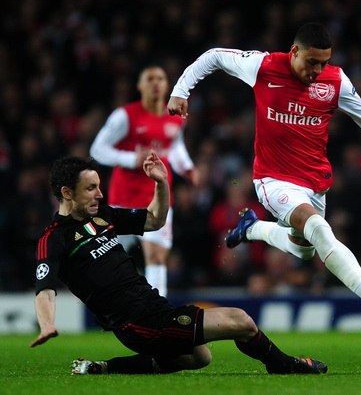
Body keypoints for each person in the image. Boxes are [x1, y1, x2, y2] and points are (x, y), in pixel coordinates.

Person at [167, 22, 361, 319]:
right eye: (312, 62)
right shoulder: (263, 66)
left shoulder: (335, 82)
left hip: (314, 183)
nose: (317, 70)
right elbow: (215, 55)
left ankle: (253, 228)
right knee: (318, 228)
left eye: (324, 63)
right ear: (294, 51)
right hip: (273, 180)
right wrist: (180, 91)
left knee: (303, 249)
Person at [31, 154, 327, 376]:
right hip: (137, 321)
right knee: (241, 321)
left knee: (199, 357)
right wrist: (47, 325)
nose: (100, 194)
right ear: (67, 193)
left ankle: (105, 368)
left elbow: (154, 220)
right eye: (90, 188)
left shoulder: (102, 216)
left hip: (153, 307)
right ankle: (283, 365)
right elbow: (45, 288)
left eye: (98, 187)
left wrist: (160, 183)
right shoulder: (54, 239)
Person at [90, 65, 199, 297]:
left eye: (160, 78)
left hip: (158, 197)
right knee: (113, 257)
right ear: (140, 86)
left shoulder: (175, 116)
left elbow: (174, 146)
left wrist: (187, 168)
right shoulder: (124, 116)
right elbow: (97, 150)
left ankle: (157, 310)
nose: (156, 83)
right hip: (124, 198)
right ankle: (111, 306)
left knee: (157, 256)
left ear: (167, 85)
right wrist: (131, 159)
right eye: (150, 78)